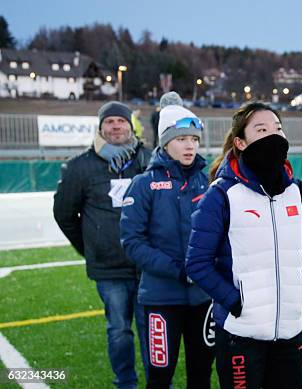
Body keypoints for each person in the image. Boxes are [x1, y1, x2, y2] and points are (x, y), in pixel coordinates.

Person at [185, 102, 302, 389]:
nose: (274, 135)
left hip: (290, 331)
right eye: (262, 129)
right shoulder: (221, 194)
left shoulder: (296, 191)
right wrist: (235, 301)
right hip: (240, 334)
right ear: (240, 142)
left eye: (278, 128)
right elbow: (197, 263)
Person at [53, 101, 152, 389]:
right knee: (119, 330)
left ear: (129, 125)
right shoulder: (80, 167)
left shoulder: (148, 160)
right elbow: (64, 213)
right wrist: (90, 247)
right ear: (100, 128)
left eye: (121, 121)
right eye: (109, 122)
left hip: (146, 265)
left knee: (151, 330)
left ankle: (157, 382)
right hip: (109, 269)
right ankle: (126, 382)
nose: (116, 126)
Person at [120, 93, 215, 388]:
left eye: (194, 139)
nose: (190, 145)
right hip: (161, 300)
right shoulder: (143, 184)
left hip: (203, 299)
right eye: (182, 138)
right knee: (160, 378)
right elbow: (132, 241)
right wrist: (178, 269)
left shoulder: (207, 180)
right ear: (165, 141)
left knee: (201, 375)